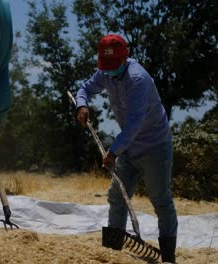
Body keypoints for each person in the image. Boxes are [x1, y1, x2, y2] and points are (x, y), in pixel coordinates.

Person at [75, 34, 178, 263]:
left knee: (161, 200)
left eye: (114, 66)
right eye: (106, 66)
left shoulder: (137, 79)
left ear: (125, 57)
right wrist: (82, 105)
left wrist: (112, 152)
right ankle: (113, 251)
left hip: (155, 147)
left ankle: (168, 258)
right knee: (116, 196)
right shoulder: (105, 72)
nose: (109, 70)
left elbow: (134, 124)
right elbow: (84, 88)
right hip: (128, 148)